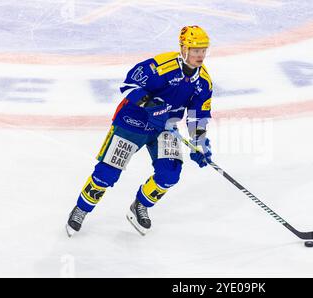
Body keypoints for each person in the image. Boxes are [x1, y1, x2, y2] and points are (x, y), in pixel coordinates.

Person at [66, 25, 213, 237]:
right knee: (106, 174)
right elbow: (129, 84)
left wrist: (199, 142)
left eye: (203, 50)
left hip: (165, 128)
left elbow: (197, 115)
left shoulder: (204, 80)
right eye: (195, 50)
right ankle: (81, 209)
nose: (200, 55)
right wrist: (150, 104)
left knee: (169, 175)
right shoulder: (162, 66)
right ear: (183, 49)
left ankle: (140, 206)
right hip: (132, 122)